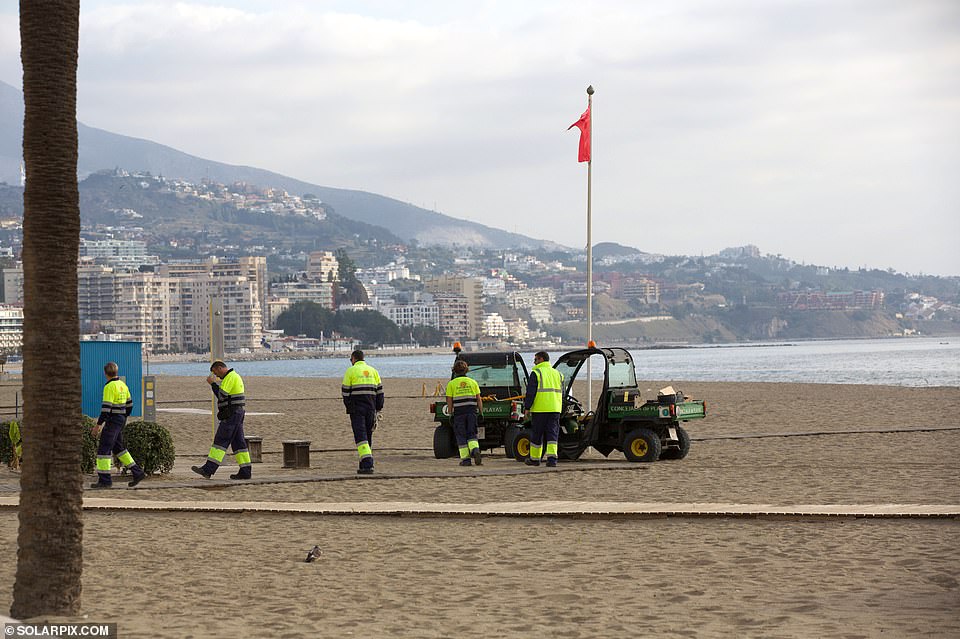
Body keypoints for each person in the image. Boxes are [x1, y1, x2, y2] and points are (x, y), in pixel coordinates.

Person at [90, 362, 146, 488]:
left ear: (105, 373)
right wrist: (123, 417)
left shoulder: (109, 387)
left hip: (113, 421)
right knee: (118, 448)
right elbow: (130, 405)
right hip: (121, 419)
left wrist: (98, 425)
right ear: (116, 372)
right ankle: (137, 472)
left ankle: (105, 480)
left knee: (103, 450)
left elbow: (106, 408)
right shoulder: (123, 385)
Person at [192, 360, 251, 480]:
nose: (217, 376)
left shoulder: (230, 376)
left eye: (216, 373)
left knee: (220, 440)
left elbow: (221, 395)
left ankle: (208, 470)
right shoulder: (234, 376)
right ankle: (245, 471)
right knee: (239, 444)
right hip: (237, 413)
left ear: (220, 368)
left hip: (232, 414)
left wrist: (213, 384)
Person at [341, 350, 384, 475]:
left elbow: (345, 392)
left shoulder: (351, 371)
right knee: (368, 436)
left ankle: (367, 463)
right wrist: (378, 408)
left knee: (360, 436)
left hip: (357, 409)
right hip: (371, 408)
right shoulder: (373, 371)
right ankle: (364, 461)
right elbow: (380, 392)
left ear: (354, 359)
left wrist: (349, 407)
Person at [523, 351, 563, 467]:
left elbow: (531, 393)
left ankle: (535, 459)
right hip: (555, 408)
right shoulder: (558, 374)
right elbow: (562, 392)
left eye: (535, 360)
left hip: (540, 409)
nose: (534, 362)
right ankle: (552, 460)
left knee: (537, 435)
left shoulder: (536, 373)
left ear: (541, 359)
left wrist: (527, 408)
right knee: (552, 435)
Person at [445, 359, 483, 466]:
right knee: (472, 433)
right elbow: (479, 399)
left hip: (459, 413)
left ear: (455, 371)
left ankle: (466, 460)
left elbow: (449, 400)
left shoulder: (451, 384)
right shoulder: (473, 382)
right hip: (471, 412)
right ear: (466, 370)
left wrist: (450, 413)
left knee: (461, 435)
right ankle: (475, 450)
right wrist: (481, 412)